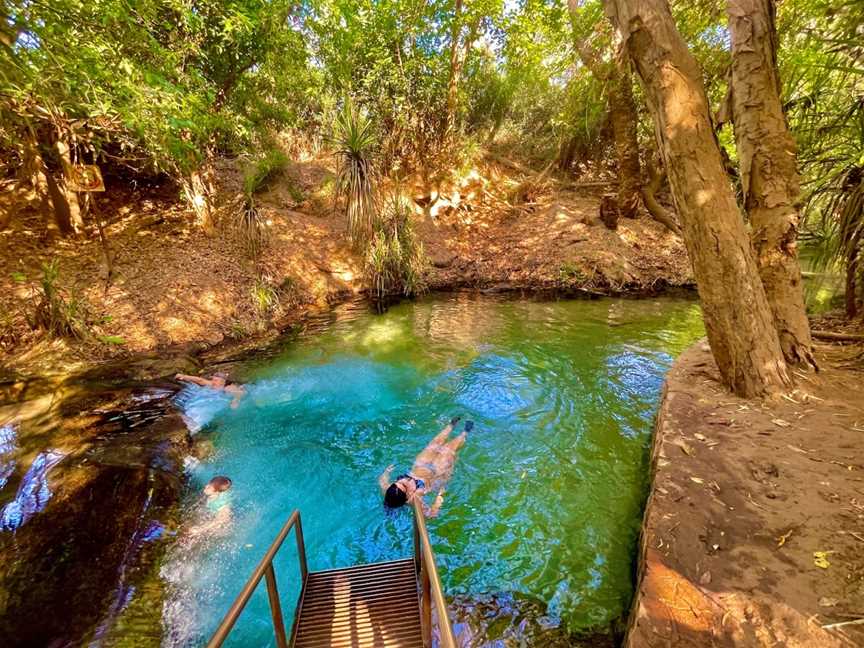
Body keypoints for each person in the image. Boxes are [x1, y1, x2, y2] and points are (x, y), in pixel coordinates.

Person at [379, 416, 473, 517]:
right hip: (436, 473)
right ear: (407, 496)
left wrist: (387, 472)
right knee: (449, 450)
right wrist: (440, 496)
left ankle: (450, 426)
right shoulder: (414, 500)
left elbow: (382, 481)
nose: (404, 481)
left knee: (434, 444)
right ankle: (465, 432)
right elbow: (432, 514)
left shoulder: (390, 491)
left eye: (398, 482)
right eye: (405, 486)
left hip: (420, 465)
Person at [175, 372, 246, 409]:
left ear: (222, 381)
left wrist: (235, 401)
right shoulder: (214, 384)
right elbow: (200, 380)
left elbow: (240, 393)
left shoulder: (227, 387)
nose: (213, 382)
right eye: (213, 380)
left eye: (215, 380)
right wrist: (184, 376)